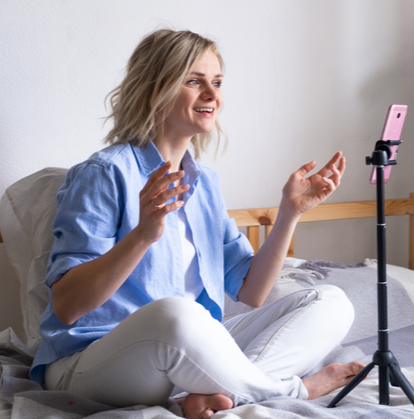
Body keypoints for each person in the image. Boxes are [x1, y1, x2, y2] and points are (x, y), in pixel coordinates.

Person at [29, 29, 364, 419]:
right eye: (194, 81)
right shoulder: (103, 173)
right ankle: (293, 388)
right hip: (93, 361)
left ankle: (211, 394)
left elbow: (251, 291)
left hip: (185, 357)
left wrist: (290, 212)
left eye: (217, 82)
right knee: (177, 313)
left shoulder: (203, 183)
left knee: (330, 302)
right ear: (155, 89)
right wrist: (142, 235)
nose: (212, 95)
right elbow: (68, 306)